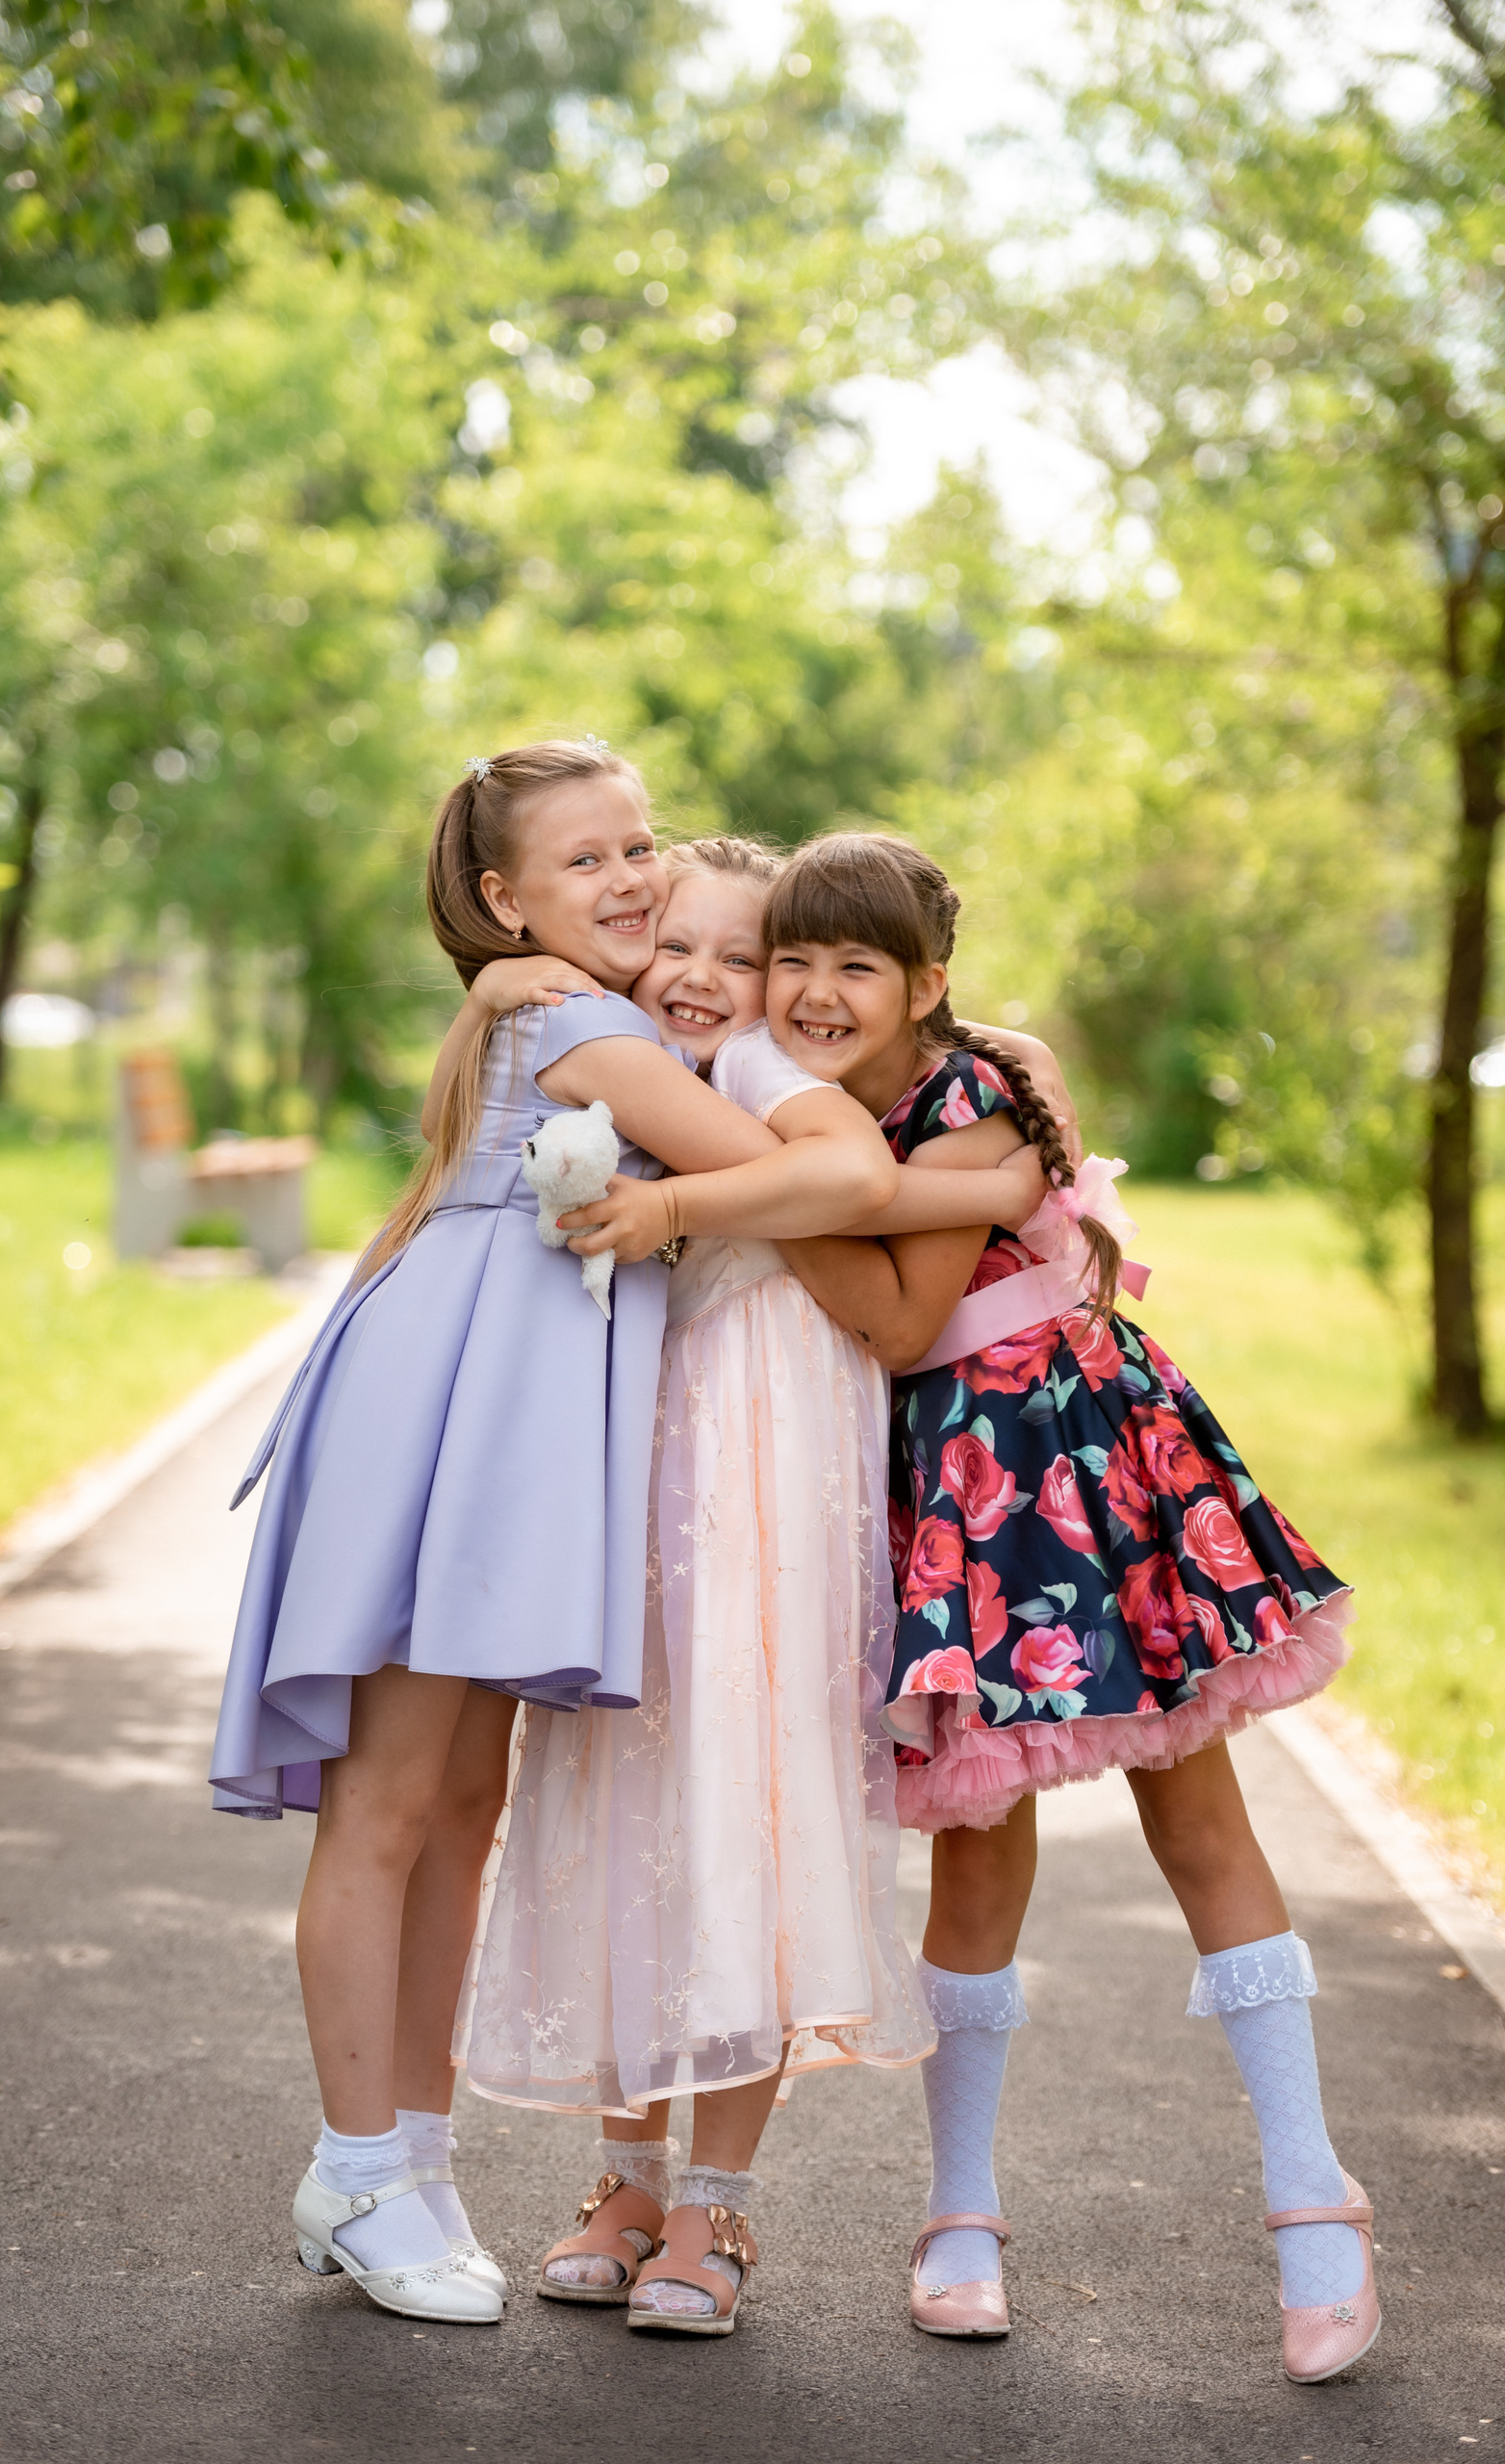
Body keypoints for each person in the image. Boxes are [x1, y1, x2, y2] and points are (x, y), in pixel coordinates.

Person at [207, 742, 907, 2325]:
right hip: (443, 1419)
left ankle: (410, 2152)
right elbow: (832, 1174)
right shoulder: (582, 1022)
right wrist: (990, 1169)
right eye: (582, 862)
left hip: (493, 1426)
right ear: (505, 898)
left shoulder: (547, 1002)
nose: (629, 878)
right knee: (391, 1804)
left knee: (461, 1804)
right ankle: (355, 2160)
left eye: (637, 846)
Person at [767, 833, 1375, 2386]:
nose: (819, 991)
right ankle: (958, 2214)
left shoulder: (987, 1080)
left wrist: (773, 1203)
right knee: (975, 1860)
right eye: (798, 959)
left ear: (929, 981)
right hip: (957, 1503)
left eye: (859, 964)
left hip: (1089, 1467)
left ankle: (1313, 2201)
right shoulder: (793, 1108)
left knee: (1201, 1824)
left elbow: (909, 1307)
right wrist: (803, 1169)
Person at [443, 834, 1049, 2336]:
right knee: (619, 1796)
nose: (719, 981)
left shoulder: (775, 1065)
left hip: (775, 1471)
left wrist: (681, 1211)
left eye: (748, 950)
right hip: (644, 1473)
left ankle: (717, 2205)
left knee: (750, 1806)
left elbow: (846, 1178)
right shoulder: (628, 1051)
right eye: (693, 952)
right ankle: (623, 2173)